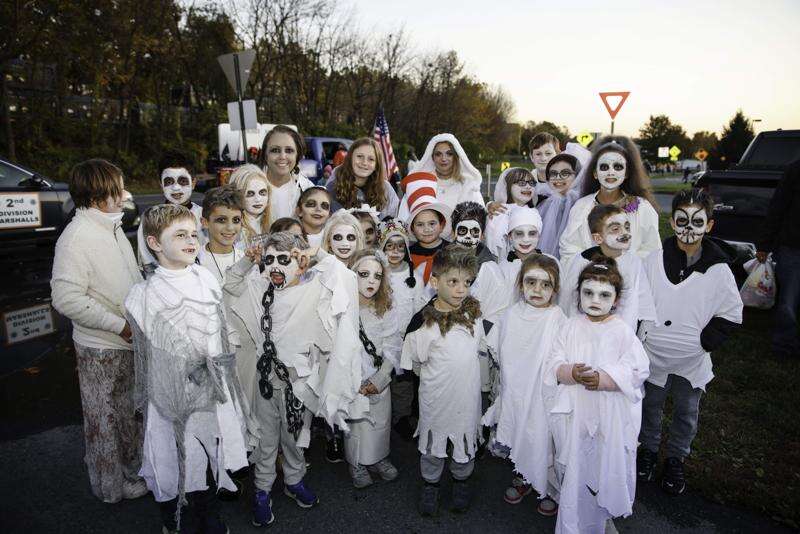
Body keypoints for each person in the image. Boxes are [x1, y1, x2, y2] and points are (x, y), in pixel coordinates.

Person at [223, 232, 367, 527]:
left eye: (284, 260)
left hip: (300, 383)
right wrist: (246, 261)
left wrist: (318, 254)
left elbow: (343, 276)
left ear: (300, 263)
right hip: (266, 382)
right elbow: (230, 285)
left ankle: (294, 480)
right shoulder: (257, 287)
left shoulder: (314, 288)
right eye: (270, 259)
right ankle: (262, 490)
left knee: (294, 438)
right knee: (265, 440)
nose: (276, 266)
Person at [125, 204, 251, 533]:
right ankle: (173, 517)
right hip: (171, 393)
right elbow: (156, 345)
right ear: (154, 243)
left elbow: (215, 330)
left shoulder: (205, 277)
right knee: (171, 454)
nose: (191, 241)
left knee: (208, 452)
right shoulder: (143, 294)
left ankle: (209, 514)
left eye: (194, 234)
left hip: (211, 386)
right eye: (179, 235)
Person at [51, 159, 145, 504]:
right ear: (96, 195)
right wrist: (118, 325)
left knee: (125, 414)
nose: (124, 195)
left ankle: (131, 472)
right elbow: (64, 297)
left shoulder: (111, 226)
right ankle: (110, 487)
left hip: (126, 342)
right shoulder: (76, 238)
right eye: (116, 190)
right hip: (101, 347)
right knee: (103, 420)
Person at [637, 190, 743, 495]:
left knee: (686, 411)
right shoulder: (653, 261)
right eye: (682, 220)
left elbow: (731, 312)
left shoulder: (720, 270)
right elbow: (640, 300)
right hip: (653, 354)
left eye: (697, 221)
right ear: (671, 222)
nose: (688, 228)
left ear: (709, 225)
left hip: (691, 360)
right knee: (650, 406)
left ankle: (676, 458)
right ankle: (648, 450)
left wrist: (704, 342)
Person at [545, 256, 650, 533]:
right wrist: (571, 372)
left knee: (602, 466)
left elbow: (638, 369)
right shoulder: (569, 327)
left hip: (608, 415)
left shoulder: (623, 332)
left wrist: (605, 379)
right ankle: (572, 520)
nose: (595, 300)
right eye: (588, 293)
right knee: (577, 468)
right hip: (576, 412)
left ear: (616, 300)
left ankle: (601, 518)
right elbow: (553, 363)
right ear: (578, 294)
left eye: (605, 295)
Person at [401, 245, 487, 516]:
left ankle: (462, 480)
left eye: (467, 282)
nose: (461, 289)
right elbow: (415, 363)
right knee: (433, 444)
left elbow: (480, 350)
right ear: (435, 282)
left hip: (466, 397)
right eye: (453, 282)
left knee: (464, 441)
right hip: (436, 398)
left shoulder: (473, 315)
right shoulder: (422, 324)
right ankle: (431, 484)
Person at [482, 254, 567, 516]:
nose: (537, 290)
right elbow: (498, 350)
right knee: (519, 432)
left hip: (543, 394)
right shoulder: (511, 315)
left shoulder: (557, 318)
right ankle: (524, 477)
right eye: (531, 282)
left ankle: (551, 488)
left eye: (546, 284)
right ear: (520, 285)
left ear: (555, 289)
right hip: (515, 391)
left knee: (543, 439)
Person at [345, 250, 401, 488]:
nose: (371, 281)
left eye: (377, 276)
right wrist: (351, 380)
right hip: (351, 380)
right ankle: (356, 462)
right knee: (355, 424)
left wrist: (380, 379)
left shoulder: (386, 308)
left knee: (379, 422)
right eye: (364, 274)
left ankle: (379, 457)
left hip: (378, 378)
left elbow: (393, 346)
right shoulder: (342, 308)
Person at [559, 136, 661, 266]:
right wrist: (591, 265)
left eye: (618, 167)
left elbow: (652, 250)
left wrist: (621, 265)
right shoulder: (581, 206)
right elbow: (569, 247)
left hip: (630, 282)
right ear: (595, 173)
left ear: (626, 173)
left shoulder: (642, 208)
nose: (611, 172)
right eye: (604, 167)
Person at [559, 204, 657, 334]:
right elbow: (569, 300)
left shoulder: (633, 262)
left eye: (627, 227)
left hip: (620, 334)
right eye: (616, 229)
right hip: (584, 333)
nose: (625, 233)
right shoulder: (583, 260)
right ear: (598, 238)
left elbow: (641, 297)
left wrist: (643, 325)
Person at [378, 220, 426, 440]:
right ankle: (381, 419)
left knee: (403, 382)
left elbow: (418, 310)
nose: (395, 251)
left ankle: (401, 416)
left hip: (405, 339)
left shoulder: (413, 277)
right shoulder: (377, 274)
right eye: (390, 246)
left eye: (400, 246)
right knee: (381, 378)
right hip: (380, 339)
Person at [755, 158, 800, 358]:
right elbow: (778, 207)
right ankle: (784, 347)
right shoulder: (795, 170)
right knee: (788, 303)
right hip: (793, 248)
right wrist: (764, 244)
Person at [136, 151, 203, 273]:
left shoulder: (204, 216)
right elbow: (148, 264)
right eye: (169, 181)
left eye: (182, 181)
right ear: (161, 184)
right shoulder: (149, 220)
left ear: (193, 183)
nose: (176, 188)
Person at [398, 133, 484, 221]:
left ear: (456, 157)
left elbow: (481, 219)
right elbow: (403, 219)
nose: (443, 159)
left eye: (449, 154)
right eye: (438, 154)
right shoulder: (419, 183)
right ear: (432, 158)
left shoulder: (469, 185)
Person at [326, 137, 400, 220]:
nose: (364, 162)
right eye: (360, 156)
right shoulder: (333, 187)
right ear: (350, 158)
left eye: (371, 159)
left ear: (376, 165)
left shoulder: (385, 189)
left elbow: (391, 223)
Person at [402, 172, 453, 284]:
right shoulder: (407, 255)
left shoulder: (452, 251)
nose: (427, 229)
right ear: (412, 229)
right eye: (420, 224)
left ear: (441, 225)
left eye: (432, 223)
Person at [258, 125, 314, 220]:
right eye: (275, 150)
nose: (282, 156)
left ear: (297, 156)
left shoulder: (308, 190)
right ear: (265, 155)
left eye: (289, 150)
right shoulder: (247, 186)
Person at [492, 132, 560, 206]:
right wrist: (491, 205)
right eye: (538, 154)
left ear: (557, 155)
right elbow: (504, 203)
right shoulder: (525, 180)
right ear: (531, 157)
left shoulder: (565, 183)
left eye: (548, 153)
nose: (543, 158)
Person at [485, 167, 538, 259]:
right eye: (521, 183)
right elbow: (494, 249)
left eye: (531, 183)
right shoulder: (499, 214)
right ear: (508, 187)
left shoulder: (534, 211)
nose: (528, 186)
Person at [537, 153, 582, 258]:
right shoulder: (540, 199)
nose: (558, 178)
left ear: (577, 176)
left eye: (565, 173)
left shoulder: (585, 203)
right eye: (553, 173)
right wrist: (491, 205)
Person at [197, 186, 244, 285]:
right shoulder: (195, 260)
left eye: (236, 220)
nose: (230, 228)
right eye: (221, 220)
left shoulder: (245, 259)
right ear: (205, 222)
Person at [227, 164, 271, 243]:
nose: (258, 199)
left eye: (262, 192)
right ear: (237, 196)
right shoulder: (231, 230)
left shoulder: (273, 223)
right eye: (250, 194)